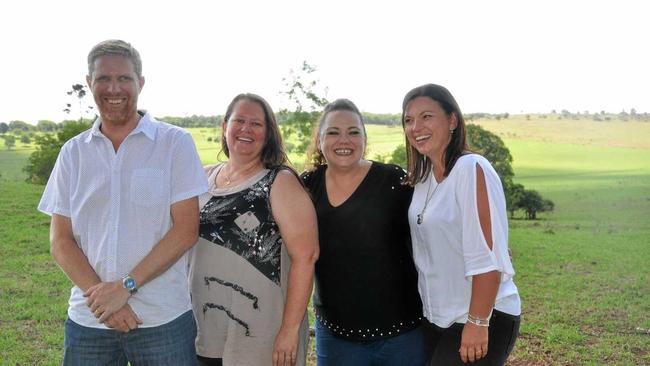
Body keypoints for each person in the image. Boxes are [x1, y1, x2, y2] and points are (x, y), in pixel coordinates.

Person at [38, 39, 208, 365]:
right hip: (90, 321)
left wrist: (126, 287)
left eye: (124, 78)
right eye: (103, 78)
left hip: (162, 319)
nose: (114, 88)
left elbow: (186, 230)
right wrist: (105, 300)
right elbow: (60, 240)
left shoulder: (175, 144)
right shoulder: (73, 153)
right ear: (90, 83)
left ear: (140, 83)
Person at [188, 93, 319, 366]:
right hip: (205, 324)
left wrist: (289, 330)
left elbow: (306, 257)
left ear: (268, 133)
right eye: (239, 121)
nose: (246, 129)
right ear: (225, 127)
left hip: (262, 332)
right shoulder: (201, 177)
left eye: (256, 124)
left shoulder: (279, 181)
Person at [401, 83, 521, 365]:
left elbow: (487, 256)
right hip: (437, 317)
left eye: (427, 116)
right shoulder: (423, 178)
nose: (416, 127)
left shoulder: (471, 168)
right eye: (408, 120)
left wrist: (477, 322)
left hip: (480, 316)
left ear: (452, 120)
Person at [301, 99, 425, 366]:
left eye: (353, 132)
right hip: (336, 337)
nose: (343, 140)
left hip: (402, 335)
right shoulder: (306, 187)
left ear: (364, 138)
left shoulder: (394, 181)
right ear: (320, 140)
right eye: (333, 132)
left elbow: (432, 223)